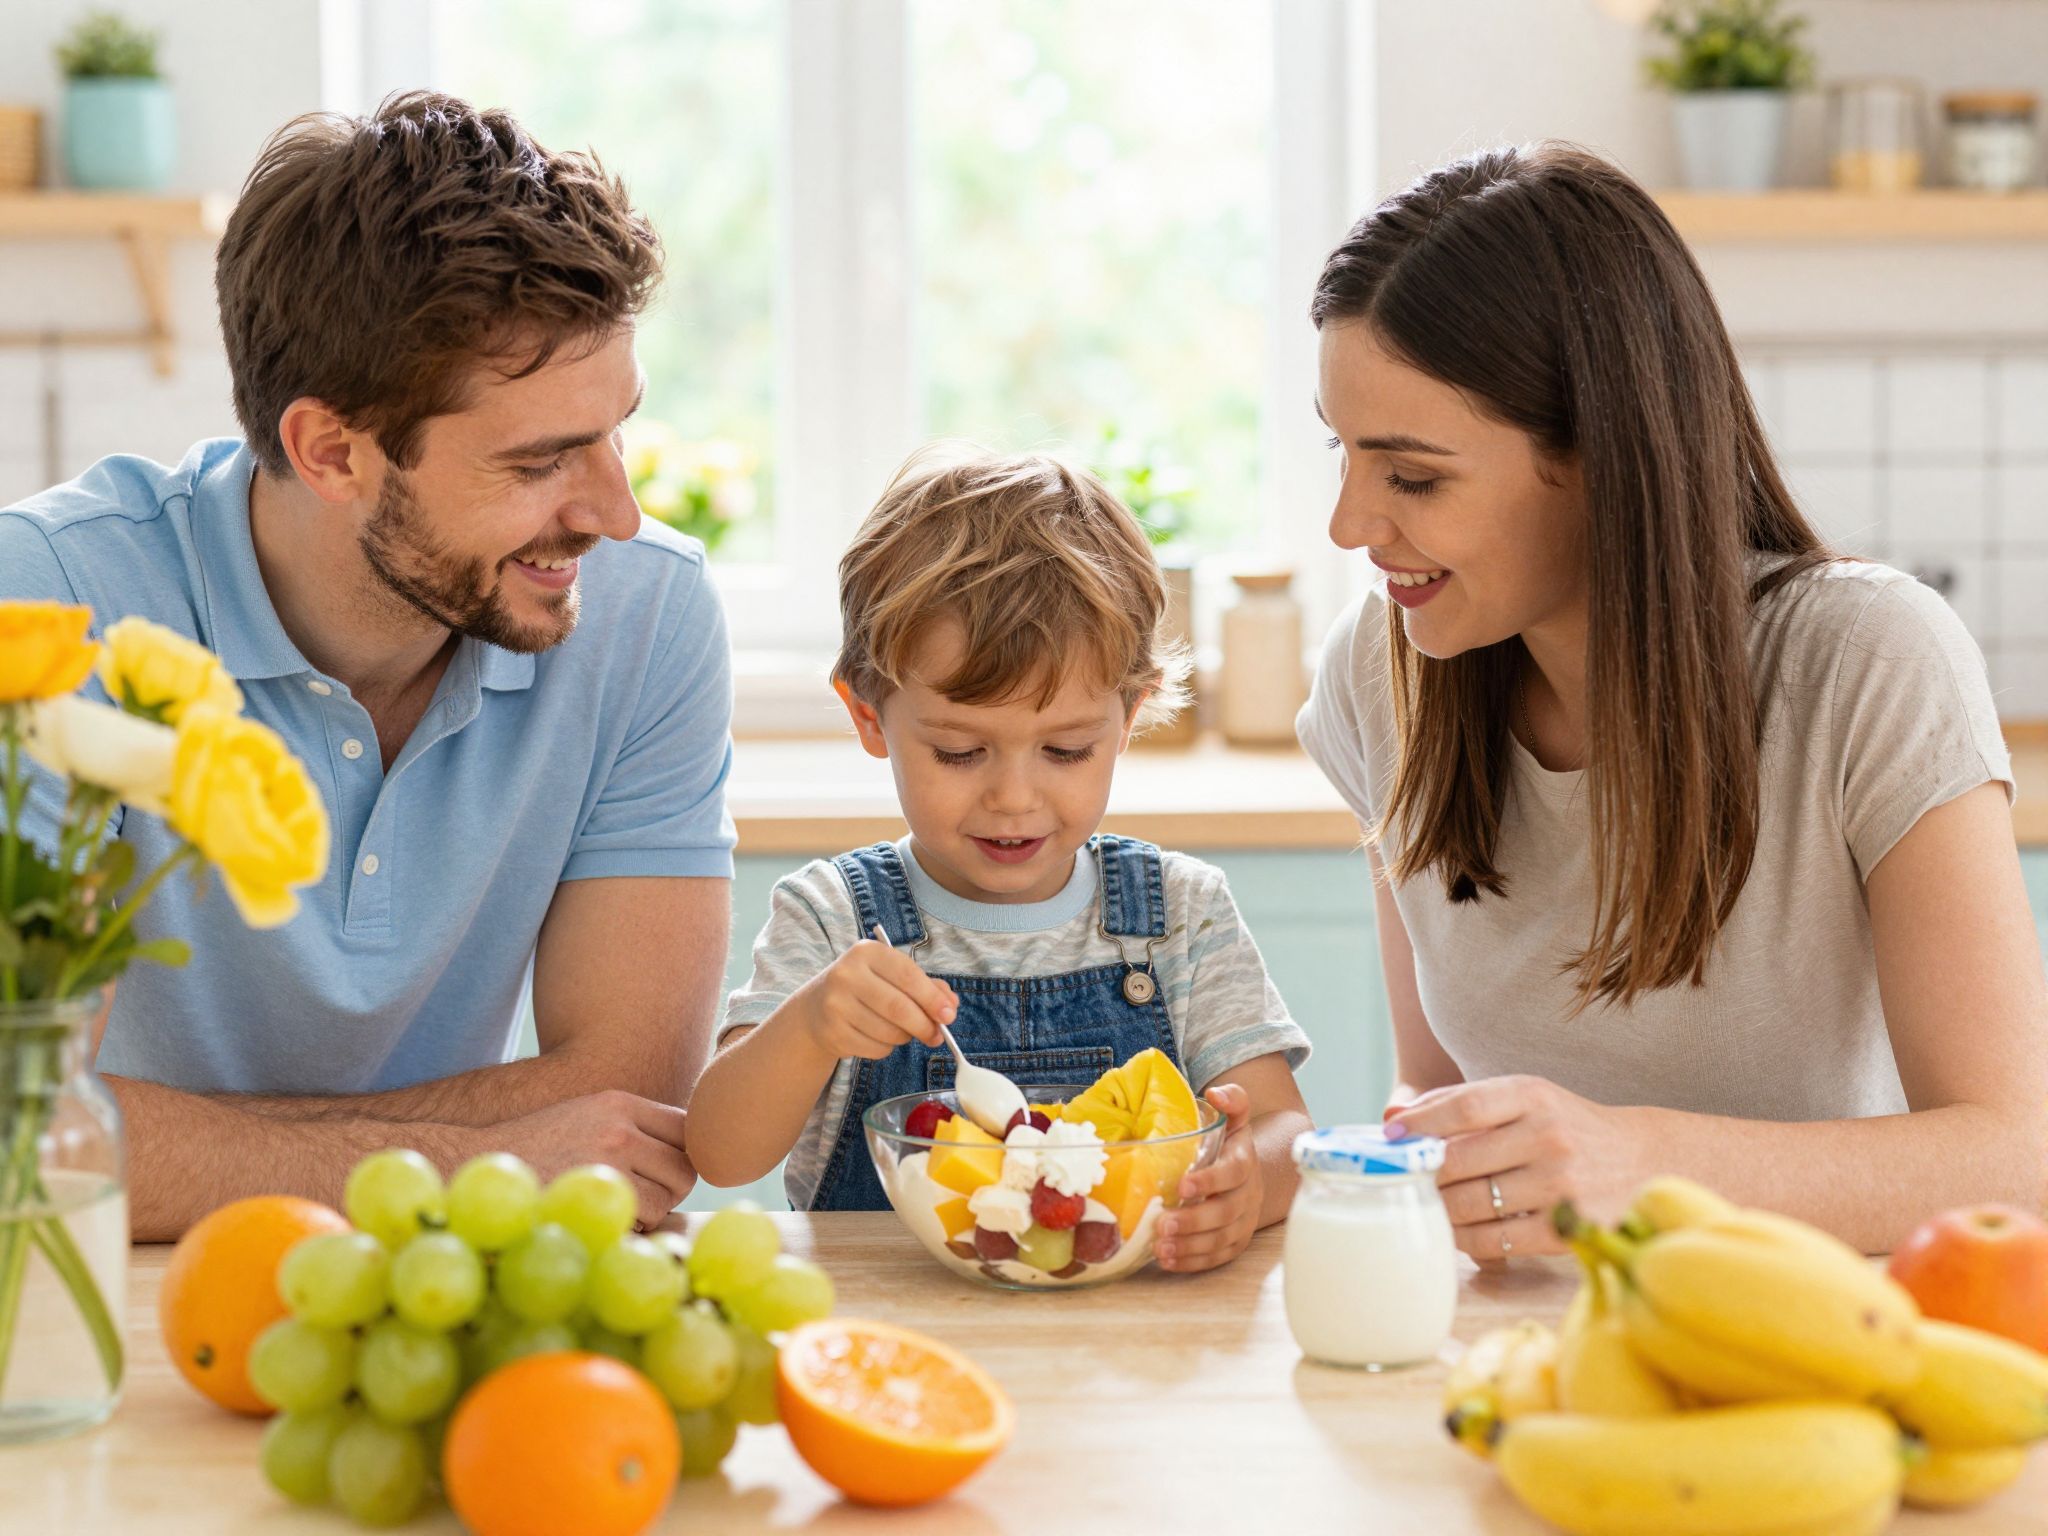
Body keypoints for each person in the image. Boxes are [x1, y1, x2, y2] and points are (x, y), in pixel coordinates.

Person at [0, 93, 735, 1239]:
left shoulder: (647, 615)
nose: (617, 512)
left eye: (615, 429)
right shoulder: (47, 605)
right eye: (539, 461)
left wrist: (177, 1145)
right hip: (110, 1287)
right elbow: (20, 1124)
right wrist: (468, 1158)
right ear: (331, 452)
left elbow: (625, 1103)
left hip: (443, 1286)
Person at [1295, 141, 2048, 1259]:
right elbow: (1436, 1094)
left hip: (1823, 1332)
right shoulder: (1384, 667)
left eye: (1413, 476)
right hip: (1538, 1333)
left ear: (1603, 455)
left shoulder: (1866, 661)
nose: (1348, 524)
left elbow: (2015, 1161)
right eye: (1341, 451)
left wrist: (1639, 1165)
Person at [686, 448, 1312, 1272]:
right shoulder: (833, 917)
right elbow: (720, 1153)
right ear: (869, 716)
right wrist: (808, 1028)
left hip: (1120, 1333)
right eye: (959, 752)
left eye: (1066, 749)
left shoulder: (1180, 914)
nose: (1014, 798)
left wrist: (1247, 1187)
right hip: (890, 1325)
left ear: (1129, 717)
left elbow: (1284, 1129)